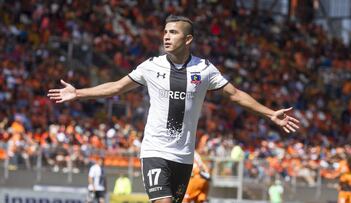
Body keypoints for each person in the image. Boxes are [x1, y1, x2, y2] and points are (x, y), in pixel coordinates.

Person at [48, 15, 300, 203]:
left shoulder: (205, 69)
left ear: (188, 39)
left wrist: (270, 113)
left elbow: (235, 95)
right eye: (165, 32)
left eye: (173, 32)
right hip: (155, 151)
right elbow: (116, 86)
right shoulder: (150, 66)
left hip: (183, 157)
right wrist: (78, 92)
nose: (166, 36)